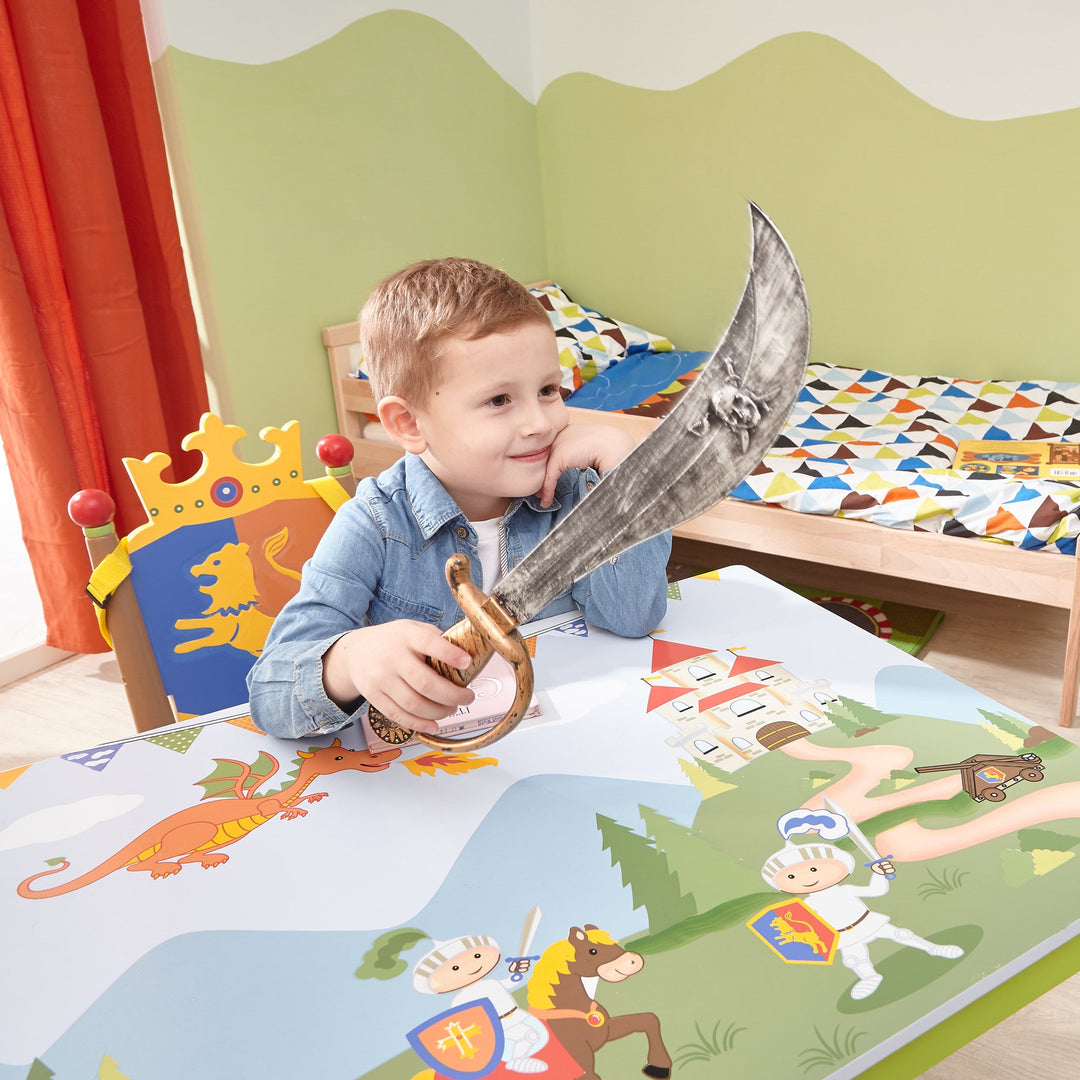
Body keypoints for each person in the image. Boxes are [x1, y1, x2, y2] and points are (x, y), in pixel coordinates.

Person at [247, 257, 671, 740]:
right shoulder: (373, 523)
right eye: (499, 400)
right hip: (433, 775)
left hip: (561, 737)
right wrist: (349, 659)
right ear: (409, 424)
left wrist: (624, 471)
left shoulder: (574, 491)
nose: (540, 422)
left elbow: (634, 614)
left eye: (549, 390)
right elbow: (269, 695)